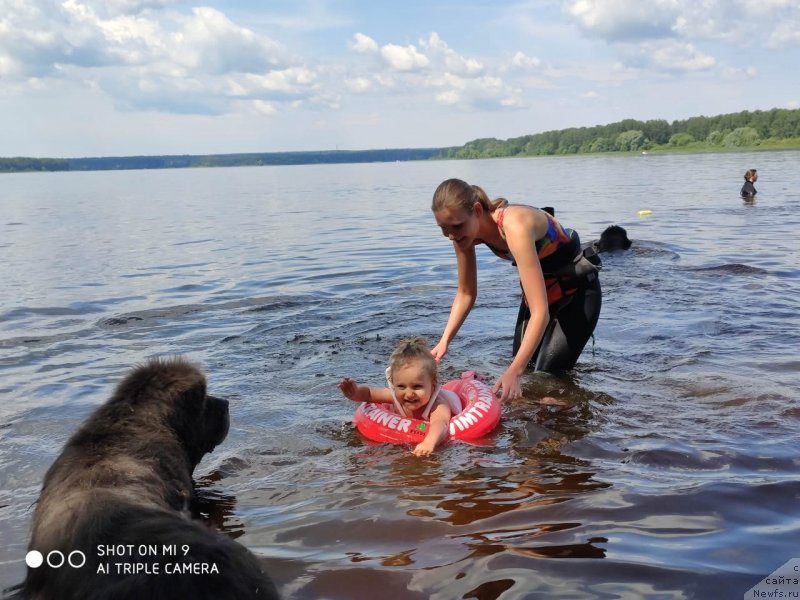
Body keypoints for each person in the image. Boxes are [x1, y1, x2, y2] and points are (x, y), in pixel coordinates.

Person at [430, 178, 601, 401]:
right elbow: (466, 293)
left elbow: (541, 313)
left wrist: (514, 371)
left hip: (577, 295)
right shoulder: (463, 235)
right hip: (541, 296)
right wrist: (444, 341)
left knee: (546, 379)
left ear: (477, 210)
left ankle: (570, 424)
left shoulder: (514, 226)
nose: (451, 235)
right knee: (526, 374)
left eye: (456, 226)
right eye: (443, 229)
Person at [338, 337, 461, 456]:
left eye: (417, 386)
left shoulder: (438, 404)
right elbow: (369, 394)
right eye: (401, 386)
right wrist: (354, 393)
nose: (409, 394)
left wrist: (429, 442)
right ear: (393, 384)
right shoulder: (394, 397)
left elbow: (440, 423)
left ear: (433, 384)